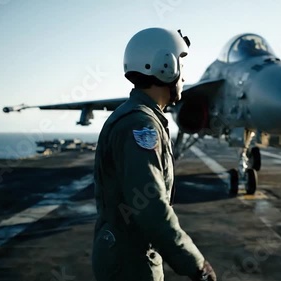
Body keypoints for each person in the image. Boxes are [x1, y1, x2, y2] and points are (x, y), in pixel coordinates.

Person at [92, 27, 217, 281]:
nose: (183, 77)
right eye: (180, 65)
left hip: (122, 257)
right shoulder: (142, 125)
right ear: (164, 66)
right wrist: (196, 265)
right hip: (131, 265)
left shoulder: (136, 117)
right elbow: (151, 208)